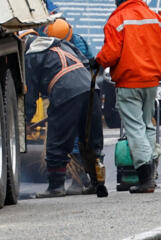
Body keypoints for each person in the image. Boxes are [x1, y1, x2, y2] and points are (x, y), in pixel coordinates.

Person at [95, 0, 161, 194]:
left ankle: (145, 177)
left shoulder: (117, 20)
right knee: (147, 125)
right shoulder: (157, 20)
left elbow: (111, 54)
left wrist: (96, 62)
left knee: (135, 129)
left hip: (128, 83)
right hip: (151, 83)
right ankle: (151, 171)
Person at [20, 30, 103, 198]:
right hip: (91, 89)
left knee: (57, 142)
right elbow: (87, 64)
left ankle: (56, 187)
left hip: (66, 92)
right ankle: (97, 183)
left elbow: (30, 94)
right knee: (91, 141)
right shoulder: (64, 44)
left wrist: (26, 120)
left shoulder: (31, 56)